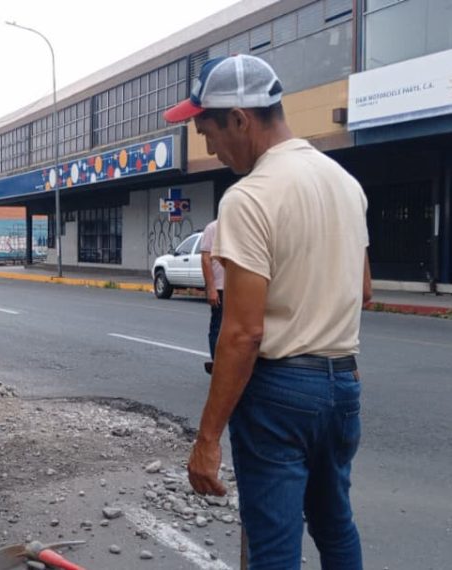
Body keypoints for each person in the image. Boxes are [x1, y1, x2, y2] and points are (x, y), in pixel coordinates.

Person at [164, 54, 371, 568]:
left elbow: (242, 333)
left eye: (207, 130)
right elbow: (361, 289)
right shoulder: (346, 185)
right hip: (341, 383)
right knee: (334, 523)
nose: (209, 146)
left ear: (240, 118)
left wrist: (207, 439)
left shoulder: (250, 197)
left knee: (273, 545)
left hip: (280, 393)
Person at [199, 219, 224, 375]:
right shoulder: (213, 228)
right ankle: (218, 364)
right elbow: (205, 259)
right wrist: (211, 288)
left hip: (241, 288)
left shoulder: (245, 225)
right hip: (221, 287)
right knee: (218, 326)